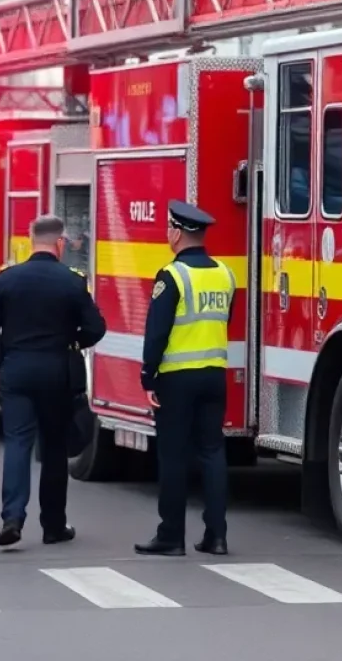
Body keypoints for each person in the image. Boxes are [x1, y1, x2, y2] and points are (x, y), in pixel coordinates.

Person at [0, 214, 107, 548]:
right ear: (60, 243)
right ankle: (53, 526)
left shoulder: (7, 279)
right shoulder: (72, 281)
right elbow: (96, 328)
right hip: (56, 372)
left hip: (16, 370)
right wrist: (73, 341)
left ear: (31, 240)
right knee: (53, 448)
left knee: (18, 443)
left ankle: (12, 518)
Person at [134, 200, 234, 557]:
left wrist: (148, 376)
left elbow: (156, 332)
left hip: (177, 379)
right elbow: (227, 318)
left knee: (174, 456)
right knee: (212, 452)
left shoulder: (172, 276)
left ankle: (171, 536)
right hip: (214, 376)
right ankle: (217, 536)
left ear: (176, 232)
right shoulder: (224, 273)